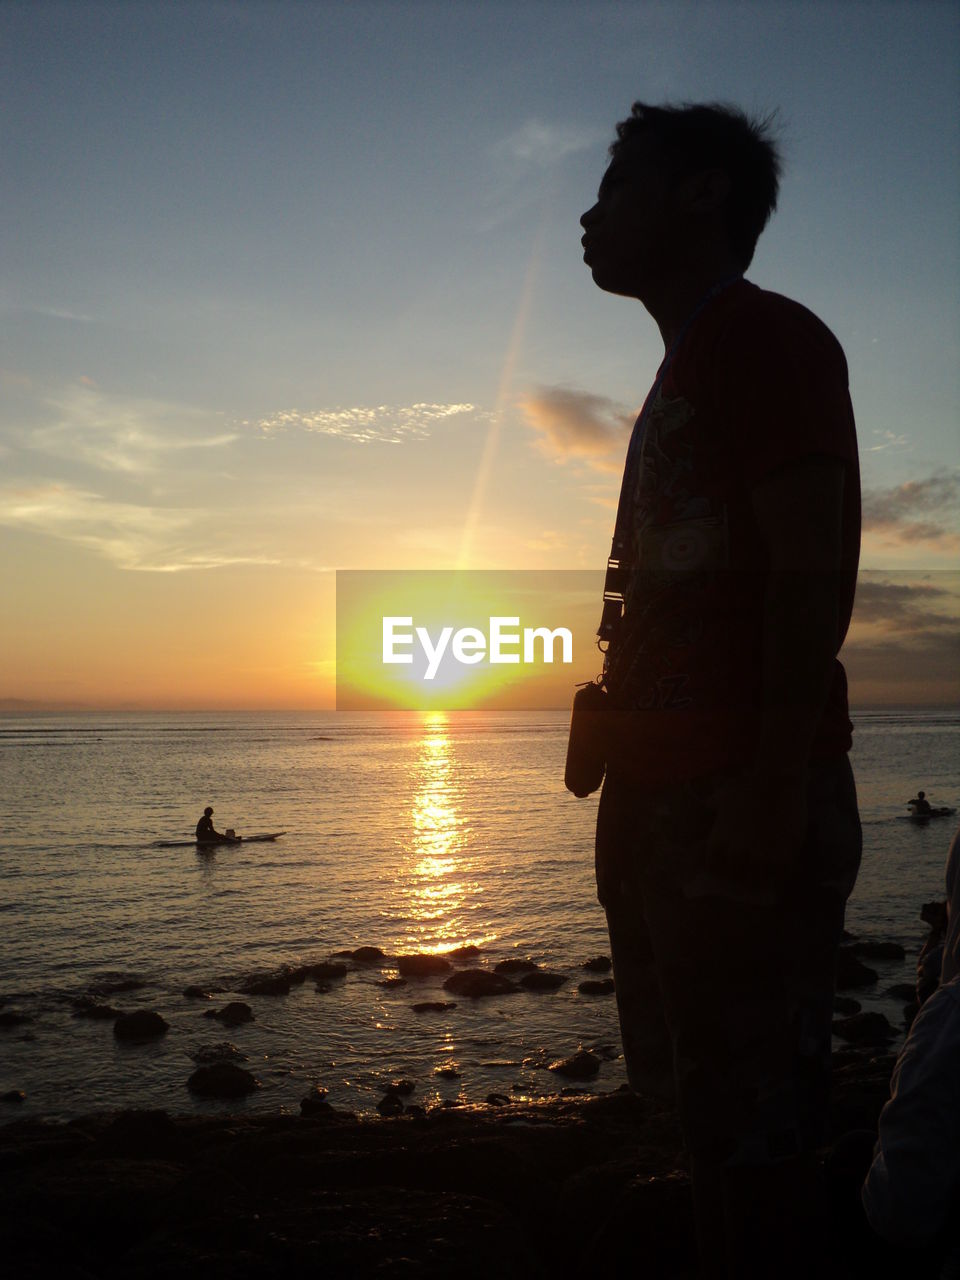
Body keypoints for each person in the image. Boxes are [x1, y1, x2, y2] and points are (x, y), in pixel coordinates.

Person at [578, 102, 862, 1278]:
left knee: (752, 1136)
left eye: (616, 187)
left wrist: (766, 784)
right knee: (704, 1115)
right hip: (668, 793)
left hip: (725, 798)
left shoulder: (761, 338)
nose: (589, 216)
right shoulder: (690, 364)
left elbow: (815, 561)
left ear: (700, 196)